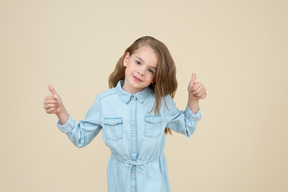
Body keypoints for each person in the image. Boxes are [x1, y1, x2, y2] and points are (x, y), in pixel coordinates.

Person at [43, 36, 207, 192]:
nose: (141, 71)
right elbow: (80, 137)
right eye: (138, 62)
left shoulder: (161, 102)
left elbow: (187, 127)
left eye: (150, 70)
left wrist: (193, 99)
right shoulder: (105, 102)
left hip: (154, 184)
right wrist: (60, 111)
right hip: (120, 183)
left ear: (155, 78)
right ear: (126, 59)